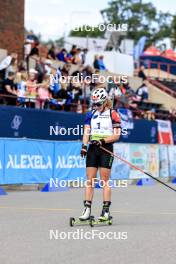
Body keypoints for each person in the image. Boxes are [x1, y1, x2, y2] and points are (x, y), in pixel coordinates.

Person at [79, 88, 121, 221]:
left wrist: (103, 140)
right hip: (93, 149)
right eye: (94, 104)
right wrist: (84, 146)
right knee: (90, 180)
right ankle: (87, 210)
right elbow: (87, 131)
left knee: (104, 181)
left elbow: (116, 135)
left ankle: (106, 211)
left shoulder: (113, 114)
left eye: (98, 104)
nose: (96, 106)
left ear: (105, 102)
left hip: (106, 148)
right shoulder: (90, 114)